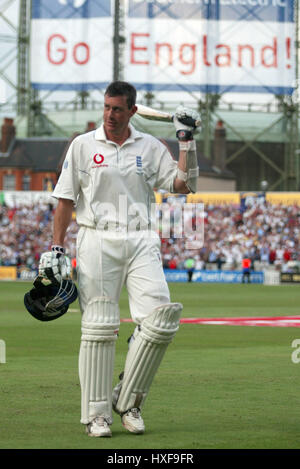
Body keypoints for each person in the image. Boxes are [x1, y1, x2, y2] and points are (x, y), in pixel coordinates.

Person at [38, 81, 200, 438]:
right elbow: (65, 199)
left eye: (118, 109)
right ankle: (97, 416)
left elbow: (183, 185)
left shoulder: (150, 146)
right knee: (98, 327)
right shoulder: (82, 145)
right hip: (96, 236)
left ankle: (128, 402)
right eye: (107, 108)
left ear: (132, 111)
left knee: (160, 320)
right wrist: (56, 248)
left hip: (141, 235)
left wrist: (186, 141)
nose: (111, 115)